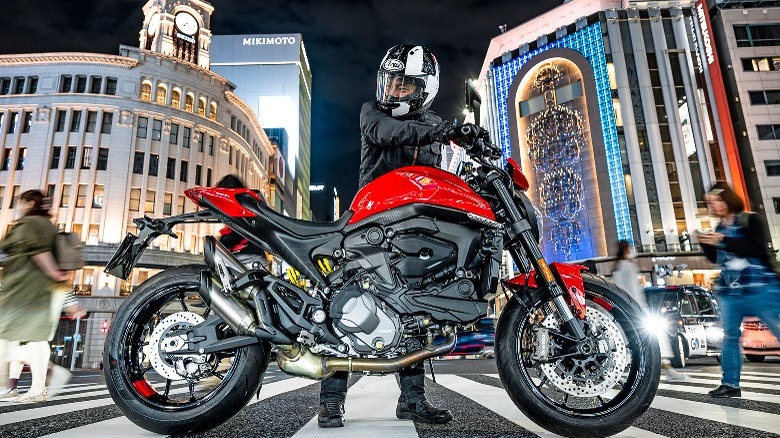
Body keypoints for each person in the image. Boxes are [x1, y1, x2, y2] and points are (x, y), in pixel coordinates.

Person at [318, 44, 456, 428]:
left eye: (404, 85)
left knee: (414, 311)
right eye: (391, 83)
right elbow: (387, 132)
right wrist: (440, 131)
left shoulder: (434, 125)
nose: (394, 91)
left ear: (423, 89)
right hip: (367, 222)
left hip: (412, 230)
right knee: (345, 305)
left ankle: (412, 399)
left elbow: (444, 175)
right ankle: (331, 399)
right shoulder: (373, 114)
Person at [697, 181, 780, 398]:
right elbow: (717, 259)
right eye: (711, 203)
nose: (715, 206)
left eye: (718, 201)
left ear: (728, 198)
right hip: (731, 292)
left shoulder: (750, 219)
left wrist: (724, 240)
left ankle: (731, 383)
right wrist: (705, 243)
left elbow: (756, 249)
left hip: (759, 286)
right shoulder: (720, 228)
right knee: (730, 336)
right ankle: (730, 384)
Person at [0, 190, 85, 403]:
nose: (19, 206)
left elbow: (39, 252)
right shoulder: (47, 225)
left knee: (11, 340)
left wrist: (54, 273)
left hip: (26, 290)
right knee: (32, 340)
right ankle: (37, 386)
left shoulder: (31, 224)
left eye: (21, 202)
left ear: (30, 203)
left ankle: (47, 373)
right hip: (38, 290)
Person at [611, 240, 687, 382]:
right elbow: (635, 292)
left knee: (630, 343)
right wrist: (643, 310)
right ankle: (669, 370)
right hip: (638, 311)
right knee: (656, 339)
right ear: (627, 249)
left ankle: (624, 374)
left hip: (626, 311)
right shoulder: (628, 266)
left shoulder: (618, 268)